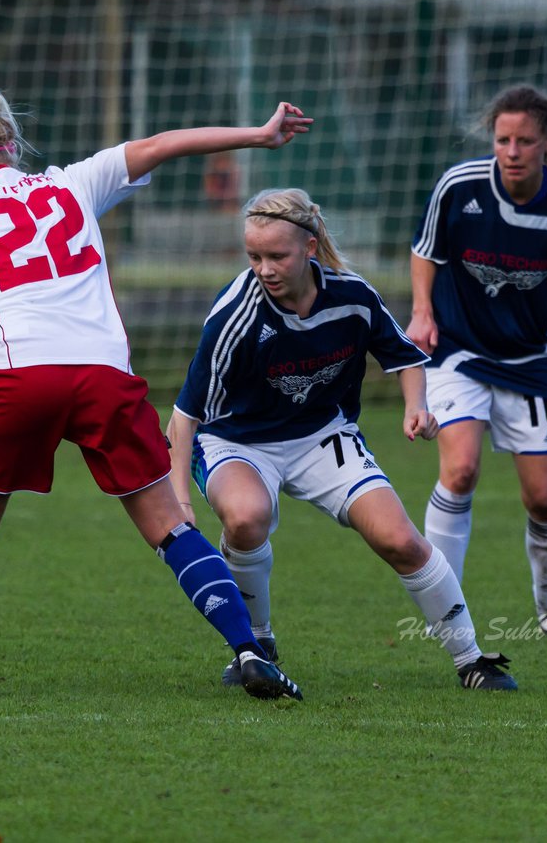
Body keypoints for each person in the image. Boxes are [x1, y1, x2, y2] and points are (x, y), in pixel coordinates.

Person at [0, 84, 315, 701]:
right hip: (104, 376)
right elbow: (161, 145)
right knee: (171, 528)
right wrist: (258, 136)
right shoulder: (75, 182)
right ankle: (247, 649)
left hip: (17, 375)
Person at [166, 188, 518, 692]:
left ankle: (471, 659)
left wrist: (416, 407)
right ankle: (258, 644)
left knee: (400, 539)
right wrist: (179, 496)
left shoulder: (352, 296)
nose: (264, 268)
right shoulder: (234, 316)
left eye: (277, 256)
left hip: (321, 436)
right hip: (237, 441)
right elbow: (184, 416)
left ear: (310, 248)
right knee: (245, 519)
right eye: (254, 256)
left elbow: (405, 356)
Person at [406, 84, 547, 638]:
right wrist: (422, 312)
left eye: (524, 141)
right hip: (457, 352)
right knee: (460, 468)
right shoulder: (459, 187)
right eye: (502, 140)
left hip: (527, 363)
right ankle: (445, 610)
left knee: (543, 498)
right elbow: (425, 252)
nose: (511, 151)